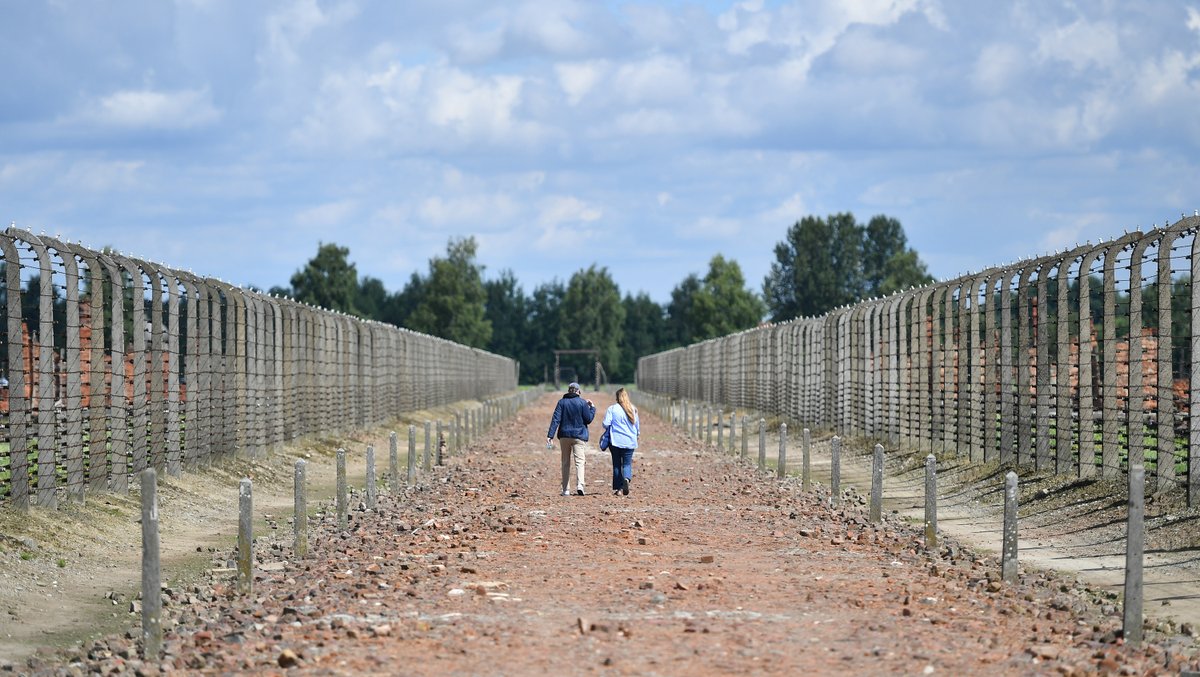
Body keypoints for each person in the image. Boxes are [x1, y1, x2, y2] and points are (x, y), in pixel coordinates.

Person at [546, 382, 595, 496]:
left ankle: (566, 490)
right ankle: (580, 485)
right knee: (580, 461)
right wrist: (592, 408)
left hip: (564, 436)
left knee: (565, 462)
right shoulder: (582, 403)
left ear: (568, 391)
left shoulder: (561, 402)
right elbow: (588, 419)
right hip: (579, 436)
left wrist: (550, 435)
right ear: (578, 391)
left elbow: (556, 419)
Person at [602, 387, 640, 496]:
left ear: (617, 397)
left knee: (617, 464)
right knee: (627, 464)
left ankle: (619, 489)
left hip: (615, 441)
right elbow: (637, 426)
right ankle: (626, 479)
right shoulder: (633, 409)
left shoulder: (612, 409)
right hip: (630, 441)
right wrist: (637, 435)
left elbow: (606, 424)